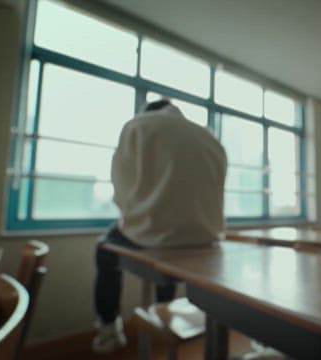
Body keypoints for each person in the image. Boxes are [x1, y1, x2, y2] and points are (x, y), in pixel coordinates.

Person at [92, 99, 227, 353]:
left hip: (155, 237)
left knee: (104, 247)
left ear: (148, 112)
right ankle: (164, 304)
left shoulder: (137, 125)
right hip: (206, 237)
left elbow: (122, 186)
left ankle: (108, 328)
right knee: (171, 244)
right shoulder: (209, 137)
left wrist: (138, 212)